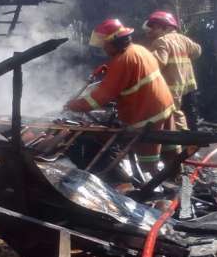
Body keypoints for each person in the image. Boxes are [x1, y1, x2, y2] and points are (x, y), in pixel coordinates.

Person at [65, 18, 175, 176]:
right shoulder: (139, 49)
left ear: (113, 42)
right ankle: (176, 176)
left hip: (146, 115)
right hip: (165, 105)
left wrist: (75, 105)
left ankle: (152, 189)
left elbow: (98, 99)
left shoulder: (121, 61)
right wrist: (110, 70)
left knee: (148, 161)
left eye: (105, 43)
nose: (103, 47)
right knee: (170, 148)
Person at [143, 10, 202, 130]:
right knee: (190, 115)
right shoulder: (184, 39)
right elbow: (197, 51)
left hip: (172, 88)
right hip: (188, 87)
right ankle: (193, 139)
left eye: (154, 28)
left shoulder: (161, 41)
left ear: (164, 27)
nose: (151, 32)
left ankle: (182, 143)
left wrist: (145, 57)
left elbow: (158, 62)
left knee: (174, 115)